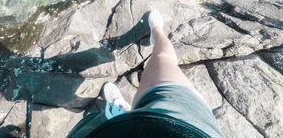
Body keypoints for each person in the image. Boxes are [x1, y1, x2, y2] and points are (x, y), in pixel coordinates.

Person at [66, 10, 224, 138]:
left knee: (101, 125)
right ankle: (157, 33)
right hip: (185, 123)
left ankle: (124, 114)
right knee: (163, 58)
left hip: (112, 132)